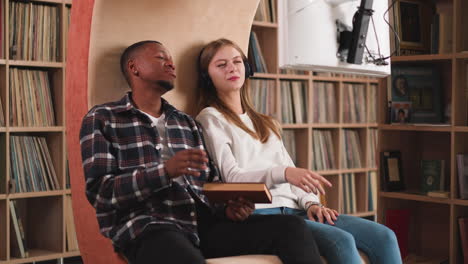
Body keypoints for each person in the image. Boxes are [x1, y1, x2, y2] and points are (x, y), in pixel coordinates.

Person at [79, 40, 324, 264]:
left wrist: (227, 208)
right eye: (161, 58)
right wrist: (164, 171)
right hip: (148, 225)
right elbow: (101, 192)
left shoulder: (186, 123)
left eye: (171, 58)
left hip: (201, 226)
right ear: (135, 67)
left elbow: (210, 183)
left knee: (290, 227)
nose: (171, 63)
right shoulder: (103, 118)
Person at [195, 38, 402, 264]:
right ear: (207, 77)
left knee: (385, 236)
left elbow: (293, 175)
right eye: (221, 64)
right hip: (264, 215)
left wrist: (311, 203)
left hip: (297, 210)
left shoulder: (266, 123)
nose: (232, 68)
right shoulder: (210, 118)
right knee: (341, 241)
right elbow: (232, 178)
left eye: (237, 61)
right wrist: (282, 173)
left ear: (248, 68)